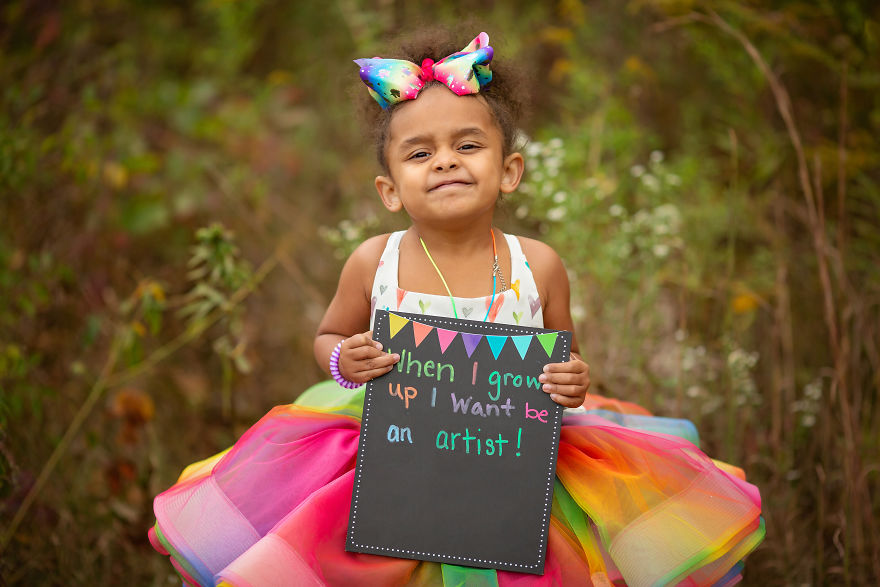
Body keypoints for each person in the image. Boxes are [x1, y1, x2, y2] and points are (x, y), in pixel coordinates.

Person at [150, 31, 764, 587]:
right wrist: (343, 357)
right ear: (389, 190)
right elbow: (330, 335)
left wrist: (572, 379)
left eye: (467, 144)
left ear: (509, 171)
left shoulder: (537, 266)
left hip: (514, 468)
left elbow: (566, 358)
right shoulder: (374, 261)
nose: (444, 160)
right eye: (419, 154)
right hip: (393, 454)